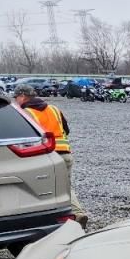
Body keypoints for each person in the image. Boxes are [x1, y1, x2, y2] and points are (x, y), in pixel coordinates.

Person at [14, 85, 87, 227]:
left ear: (22, 96)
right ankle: (77, 214)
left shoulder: (26, 113)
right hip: (65, 154)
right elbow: (66, 130)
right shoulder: (54, 109)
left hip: (45, 156)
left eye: (16, 97)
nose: (16, 101)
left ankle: (43, 220)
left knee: (38, 188)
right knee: (65, 187)